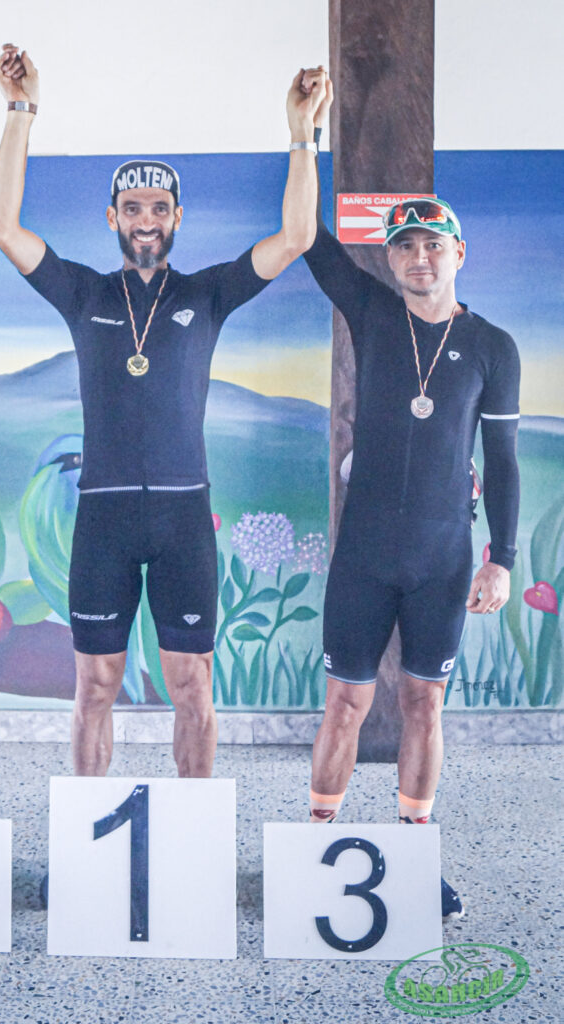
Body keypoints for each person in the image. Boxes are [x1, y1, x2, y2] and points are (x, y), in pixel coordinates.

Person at [0, 45, 329, 778]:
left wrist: (302, 134)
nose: (146, 220)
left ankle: (193, 824)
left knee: (192, 685)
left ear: (177, 218)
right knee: (94, 686)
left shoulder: (207, 293)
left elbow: (296, 238)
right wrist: (20, 111)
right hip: (103, 517)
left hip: (182, 517)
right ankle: (86, 825)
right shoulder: (83, 293)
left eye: (159, 208)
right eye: (134, 208)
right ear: (112, 216)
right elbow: (1, 224)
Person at [303, 83, 520, 919]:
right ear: (389, 260)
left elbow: (500, 459)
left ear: (457, 252)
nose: (418, 258)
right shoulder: (368, 312)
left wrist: (503, 558)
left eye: (432, 245)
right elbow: (306, 236)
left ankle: (413, 857)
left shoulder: (491, 346)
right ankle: (317, 853)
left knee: (425, 703)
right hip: (363, 554)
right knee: (346, 704)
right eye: (404, 247)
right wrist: (302, 136)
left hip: (442, 556)